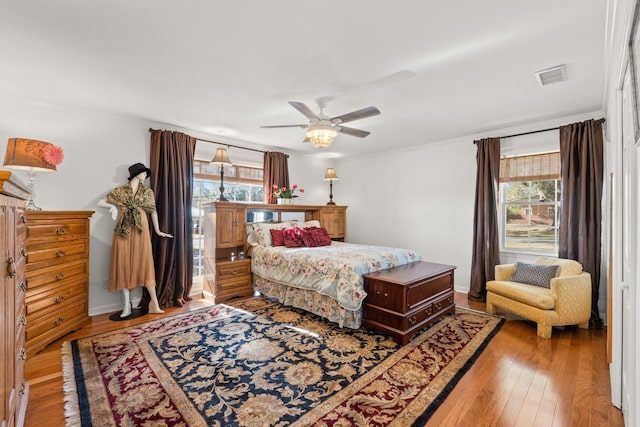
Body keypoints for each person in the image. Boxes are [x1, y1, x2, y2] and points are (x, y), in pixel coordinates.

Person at [98, 162, 173, 317]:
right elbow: (101, 202)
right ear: (135, 174)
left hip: (141, 229)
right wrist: (112, 207)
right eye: (143, 172)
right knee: (123, 262)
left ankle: (154, 302)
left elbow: (153, 212)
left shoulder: (147, 192)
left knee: (144, 262)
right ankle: (127, 305)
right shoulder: (121, 191)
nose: (145, 175)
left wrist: (158, 231)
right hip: (123, 228)